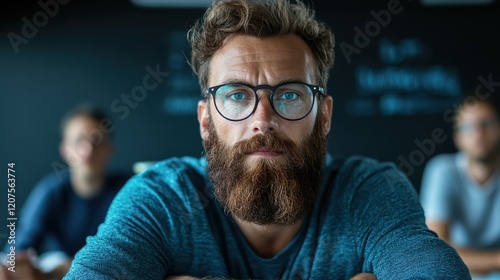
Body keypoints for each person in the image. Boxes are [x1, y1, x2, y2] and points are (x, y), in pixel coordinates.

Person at [65, 0, 470, 279]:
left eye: (290, 95)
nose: (263, 120)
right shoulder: (161, 201)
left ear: (323, 115)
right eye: (237, 96)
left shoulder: (368, 193)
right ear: (206, 120)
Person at [0, 105, 131, 280]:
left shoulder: (129, 190)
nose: (88, 151)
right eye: (78, 141)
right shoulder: (51, 191)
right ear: (65, 149)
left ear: (109, 149)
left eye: (96, 141)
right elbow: (18, 249)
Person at [421, 97, 500, 279]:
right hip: (456, 272)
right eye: (468, 127)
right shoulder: (443, 171)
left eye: (486, 123)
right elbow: (438, 247)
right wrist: (496, 260)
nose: (478, 133)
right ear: (458, 138)